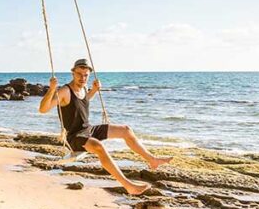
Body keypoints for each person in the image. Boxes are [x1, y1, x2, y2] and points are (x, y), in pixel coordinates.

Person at [39, 58, 171, 195]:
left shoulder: (84, 88)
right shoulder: (65, 91)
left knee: (126, 130)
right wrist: (52, 89)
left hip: (88, 130)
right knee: (98, 146)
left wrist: (94, 90)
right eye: (79, 74)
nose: (82, 78)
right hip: (75, 137)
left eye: (86, 75)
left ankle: (152, 159)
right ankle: (128, 185)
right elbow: (43, 109)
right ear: (73, 73)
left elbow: (82, 102)